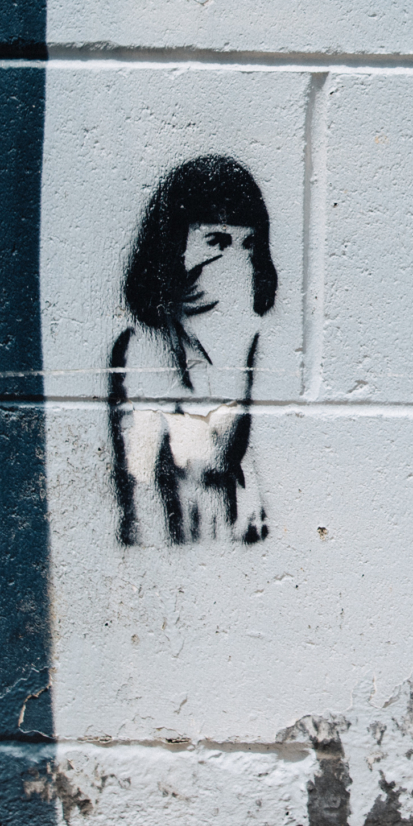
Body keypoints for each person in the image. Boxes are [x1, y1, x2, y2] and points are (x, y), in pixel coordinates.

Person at [108, 155, 277, 546]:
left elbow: (250, 484)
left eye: (248, 244)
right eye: (217, 242)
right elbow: (142, 489)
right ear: (174, 247)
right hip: (176, 552)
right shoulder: (144, 349)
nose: (236, 261)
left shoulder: (251, 345)